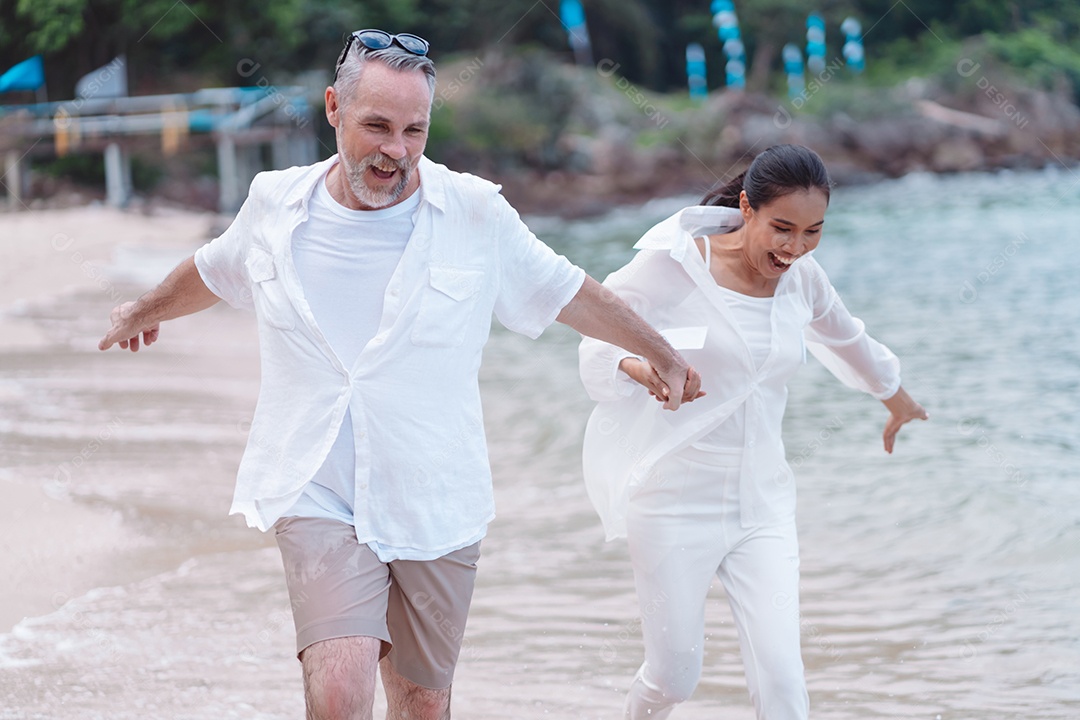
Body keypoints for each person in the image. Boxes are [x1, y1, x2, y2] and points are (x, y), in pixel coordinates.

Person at [98, 30, 702, 720]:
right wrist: (142, 310)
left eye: (415, 130)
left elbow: (567, 291)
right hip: (315, 483)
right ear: (333, 108)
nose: (398, 150)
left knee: (421, 704)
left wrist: (664, 353)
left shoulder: (474, 212)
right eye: (377, 126)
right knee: (339, 691)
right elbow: (213, 269)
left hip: (435, 496)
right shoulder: (275, 204)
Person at [578, 144, 928, 719]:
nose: (795, 248)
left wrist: (898, 401)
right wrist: (641, 370)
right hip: (672, 505)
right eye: (782, 228)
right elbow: (595, 337)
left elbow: (849, 342)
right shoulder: (673, 266)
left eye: (813, 231)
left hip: (762, 507)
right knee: (673, 679)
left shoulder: (802, 279)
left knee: (784, 685)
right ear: (747, 207)